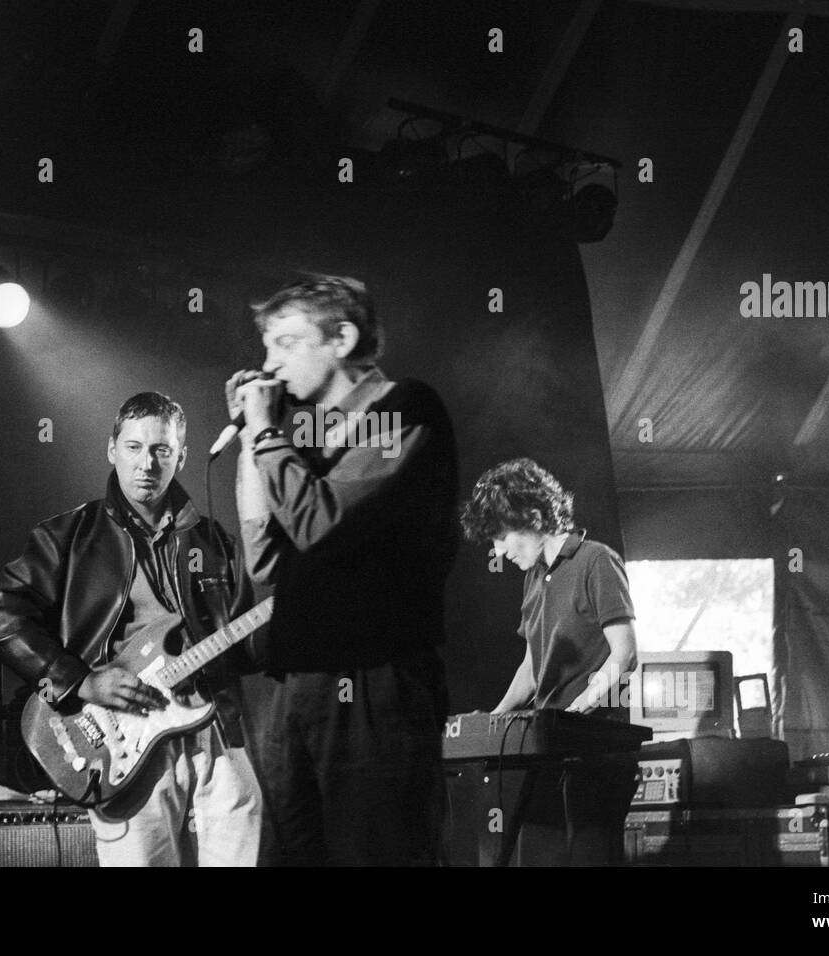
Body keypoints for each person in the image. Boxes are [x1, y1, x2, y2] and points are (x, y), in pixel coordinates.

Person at [228, 274, 459, 866]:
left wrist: (263, 433)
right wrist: (257, 443)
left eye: (285, 342)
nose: (268, 364)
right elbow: (264, 559)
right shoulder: (302, 440)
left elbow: (321, 521)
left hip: (374, 683)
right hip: (293, 687)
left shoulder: (405, 408)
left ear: (342, 338)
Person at [0, 392, 262, 866]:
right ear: (112, 449)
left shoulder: (215, 544)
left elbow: (251, 648)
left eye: (161, 451)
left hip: (214, 733)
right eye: (133, 447)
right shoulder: (67, 537)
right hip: (121, 742)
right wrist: (80, 681)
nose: (147, 463)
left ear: (181, 457)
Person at [460, 457, 639, 865]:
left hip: (598, 750)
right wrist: (496, 716)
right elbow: (531, 665)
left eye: (502, 536)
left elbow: (624, 651)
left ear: (536, 517)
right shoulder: (533, 578)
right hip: (548, 747)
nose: (498, 550)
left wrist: (586, 704)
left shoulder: (596, 560)